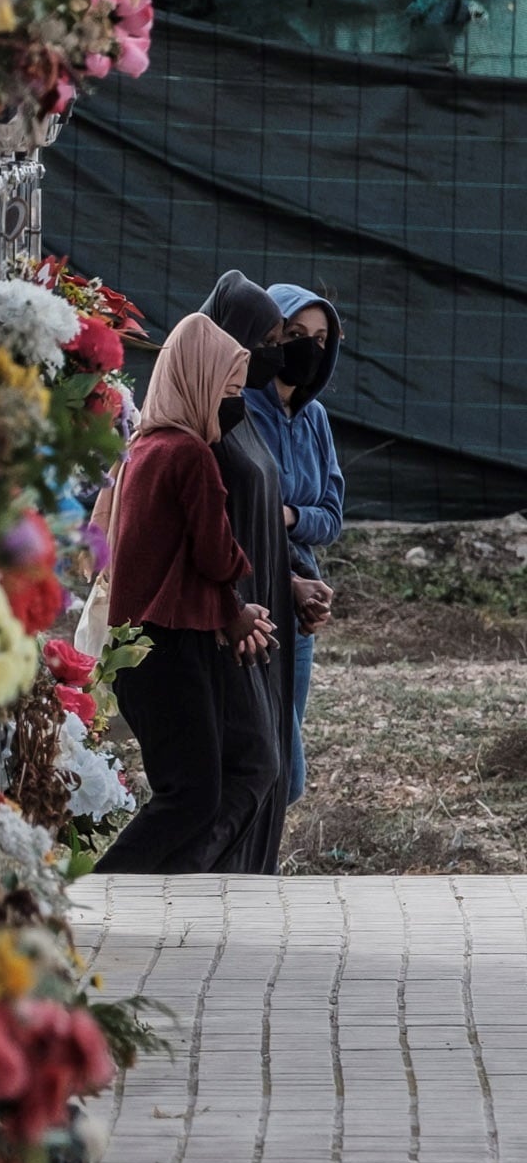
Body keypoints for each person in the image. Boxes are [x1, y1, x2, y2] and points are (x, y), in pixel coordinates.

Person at [93, 315, 280, 874]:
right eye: (227, 391)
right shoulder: (188, 454)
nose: (234, 404)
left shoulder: (143, 448)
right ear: (198, 383)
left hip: (142, 647)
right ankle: (96, 895)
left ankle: (139, 900)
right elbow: (216, 554)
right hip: (170, 646)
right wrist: (242, 594)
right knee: (191, 795)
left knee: (191, 790)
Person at [199, 270, 301, 873]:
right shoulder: (202, 429)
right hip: (230, 625)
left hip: (262, 615)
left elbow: (259, 517)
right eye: (260, 342)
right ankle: (188, 879)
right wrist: (231, 607)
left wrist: (290, 583)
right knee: (251, 764)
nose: (272, 356)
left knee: (268, 762)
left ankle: (236, 888)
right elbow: (208, 531)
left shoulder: (241, 416)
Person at [246, 283, 343, 809]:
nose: (309, 347)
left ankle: (255, 878)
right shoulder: (238, 408)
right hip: (254, 592)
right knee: (273, 765)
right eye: (296, 334)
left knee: (283, 760)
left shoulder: (317, 419)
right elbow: (235, 510)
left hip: (302, 604)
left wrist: (287, 514)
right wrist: (274, 520)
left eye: (322, 338)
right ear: (271, 337)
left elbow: (331, 517)